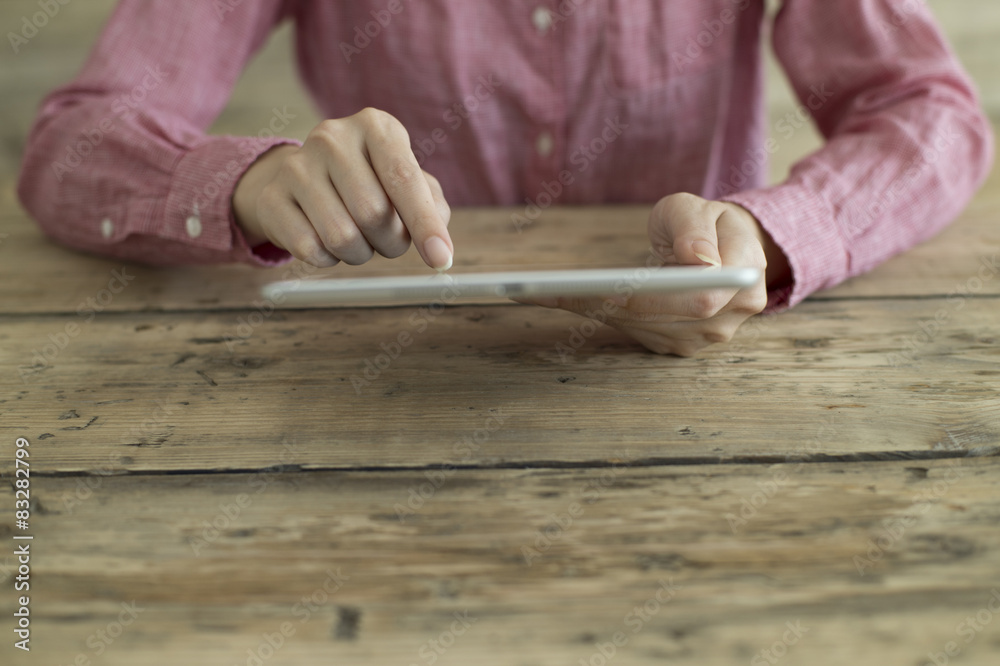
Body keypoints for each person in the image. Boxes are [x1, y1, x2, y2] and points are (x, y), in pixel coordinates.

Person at [18, 0, 993, 356]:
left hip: (694, 401)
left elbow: (926, 113)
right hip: (369, 405)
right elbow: (71, 144)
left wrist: (774, 234)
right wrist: (242, 179)